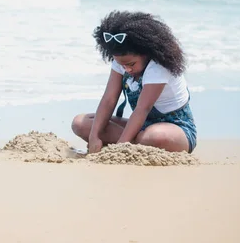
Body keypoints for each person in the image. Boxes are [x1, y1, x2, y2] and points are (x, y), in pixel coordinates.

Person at [71, 11, 197, 154]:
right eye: (122, 65)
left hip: (175, 129)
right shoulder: (121, 61)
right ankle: (135, 144)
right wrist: (94, 136)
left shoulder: (158, 68)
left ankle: (128, 143)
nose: (127, 69)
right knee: (80, 123)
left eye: (131, 64)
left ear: (146, 52)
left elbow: (142, 108)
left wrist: (120, 147)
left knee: (151, 137)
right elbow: (109, 100)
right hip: (140, 125)